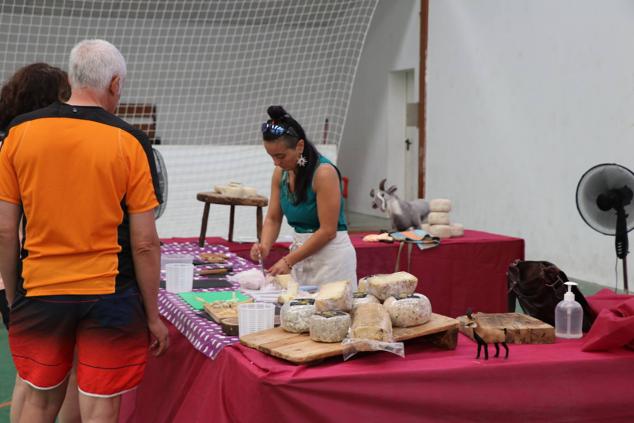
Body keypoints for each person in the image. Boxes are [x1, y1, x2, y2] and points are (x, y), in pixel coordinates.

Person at [0, 39, 168, 423]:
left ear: (72, 77)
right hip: (109, 293)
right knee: (99, 404)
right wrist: (153, 316)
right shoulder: (130, 141)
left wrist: (14, 295)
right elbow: (144, 243)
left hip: (41, 288)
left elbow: (6, 232)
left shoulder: (19, 133)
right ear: (115, 85)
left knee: (39, 399)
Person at [0, 62, 79, 423]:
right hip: (27, 274)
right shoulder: (26, 147)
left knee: (29, 377)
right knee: (60, 378)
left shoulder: (11, 140)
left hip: (14, 276)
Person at [250, 105, 357, 287]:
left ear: (299, 146)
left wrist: (288, 260)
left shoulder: (324, 173)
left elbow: (327, 231)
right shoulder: (280, 173)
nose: (276, 162)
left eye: (281, 156)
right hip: (302, 254)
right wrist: (265, 245)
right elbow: (274, 218)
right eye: (271, 157)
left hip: (331, 259)